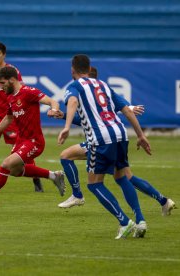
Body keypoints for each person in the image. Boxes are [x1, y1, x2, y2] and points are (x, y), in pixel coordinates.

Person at [52, 67, 176, 215]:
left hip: (101, 140)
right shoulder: (100, 90)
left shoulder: (86, 90)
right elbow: (88, 119)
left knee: (69, 158)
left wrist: (130, 108)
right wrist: (64, 116)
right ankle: (163, 201)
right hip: (114, 138)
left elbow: (123, 109)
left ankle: (78, 196)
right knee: (127, 177)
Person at [58, 54, 152, 239]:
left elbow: (73, 101)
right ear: (89, 67)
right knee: (122, 177)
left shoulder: (74, 86)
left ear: (72, 70)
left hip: (100, 139)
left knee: (94, 184)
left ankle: (125, 222)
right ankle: (140, 220)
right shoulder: (103, 85)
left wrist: (67, 126)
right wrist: (140, 135)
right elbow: (126, 110)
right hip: (120, 134)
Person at [0, 66, 66, 212]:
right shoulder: (11, 97)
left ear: (12, 80)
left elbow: (52, 101)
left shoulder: (29, 92)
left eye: (2, 83)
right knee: (15, 171)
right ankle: (54, 175)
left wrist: (54, 110)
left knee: (6, 164)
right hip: (21, 141)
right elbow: (7, 119)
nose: (0, 87)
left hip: (34, 142)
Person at [0, 42, 42, 192]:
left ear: (4, 55)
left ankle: (36, 179)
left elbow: (20, 91)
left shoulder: (12, 72)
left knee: (20, 152)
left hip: (11, 117)